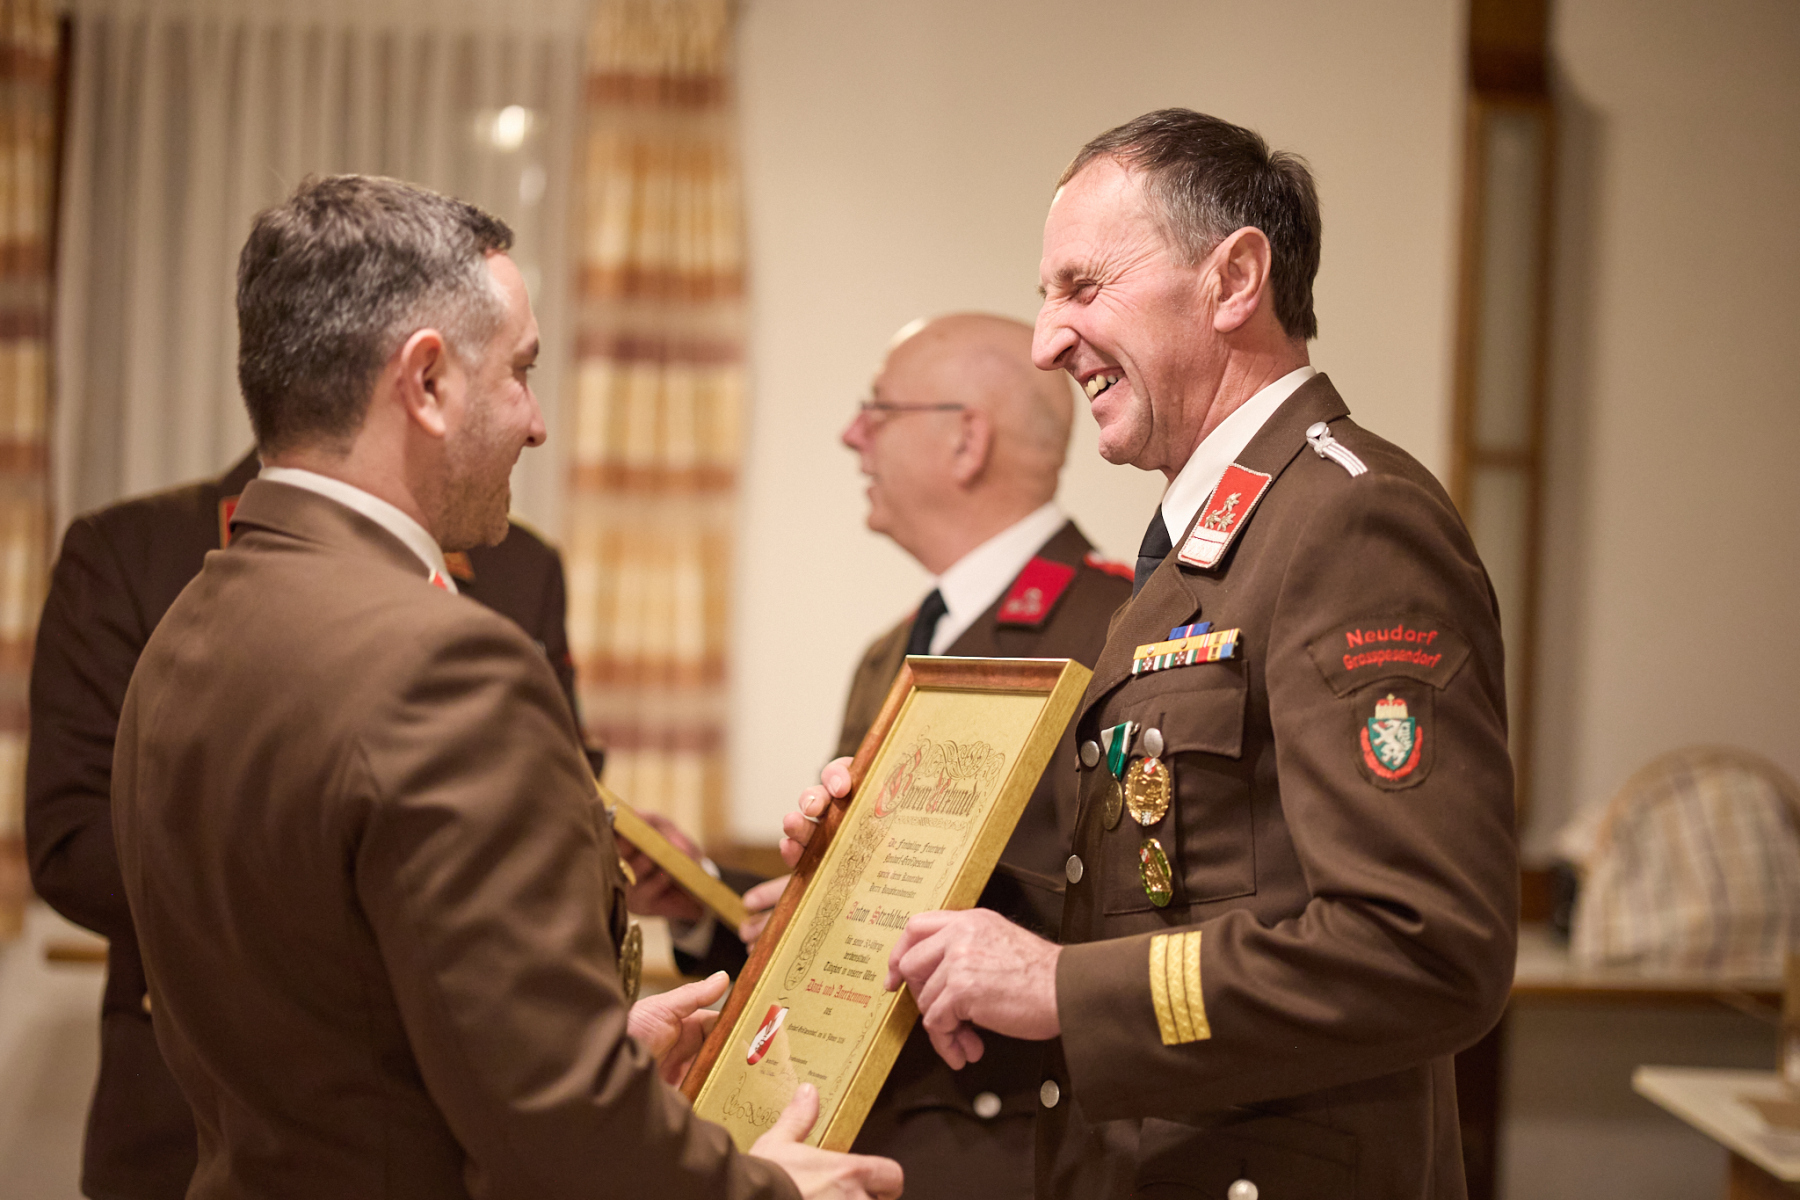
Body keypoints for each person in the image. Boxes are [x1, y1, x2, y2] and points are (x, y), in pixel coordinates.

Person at [109, 175, 900, 1200]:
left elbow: (332, 1020)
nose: (535, 422)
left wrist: (576, 1047)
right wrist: (772, 1191)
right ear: (427, 381)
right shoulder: (443, 664)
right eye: (521, 371)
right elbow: (557, 1132)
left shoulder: (192, 621)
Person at [788, 110, 1518, 1199]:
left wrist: (1062, 989)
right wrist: (901, 886)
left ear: (1234, 281)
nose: (1047, 341)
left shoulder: (1348, 521)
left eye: (1082, 288)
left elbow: (1423, 949)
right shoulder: (1213, 541)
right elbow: (1181, 891)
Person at [630, 313, 1131, 1198]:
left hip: (1005, 1151)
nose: (851, 435)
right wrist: (707, 896)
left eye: (878, 410)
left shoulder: (1115, 628)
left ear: (966, 440)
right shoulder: (894, 649)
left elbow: (1130, 924)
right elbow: (851, 907)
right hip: (857, 1134)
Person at [24, 444, 591, 1200]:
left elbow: (552, 796)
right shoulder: (132, 551)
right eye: (512, 382)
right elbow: (72, 843)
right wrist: (355, 909)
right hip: (199, 1111)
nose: (534, 425)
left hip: (458, 1125)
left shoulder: (522, 567)